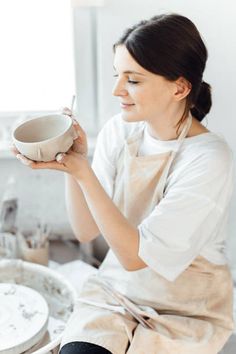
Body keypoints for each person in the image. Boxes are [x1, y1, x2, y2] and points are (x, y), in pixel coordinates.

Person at [14, 13, 234, 354]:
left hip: (187, 306)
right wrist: (74, 166)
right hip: (117, 292)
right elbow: (85, 230)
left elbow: (136, 255)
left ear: (179, 87)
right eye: (119, 75)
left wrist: (84, 173)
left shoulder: (209, 157)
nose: (117, 91)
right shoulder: (121, 129)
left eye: (132, 80)